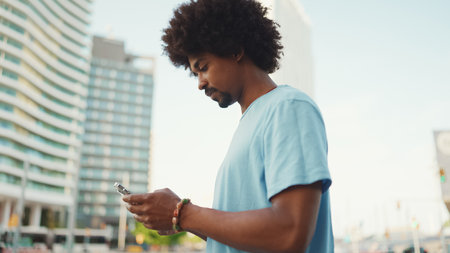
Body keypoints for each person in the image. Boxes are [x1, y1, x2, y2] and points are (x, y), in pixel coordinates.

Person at [122, 0, 334, 252]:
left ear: (234, 50)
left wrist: (183, 213)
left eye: (203, 67)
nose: (199, 83)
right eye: (195, 73)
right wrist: (181, 220)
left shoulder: (288, 108)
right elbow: (244, 239)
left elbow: (290, 231)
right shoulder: (250, 123)